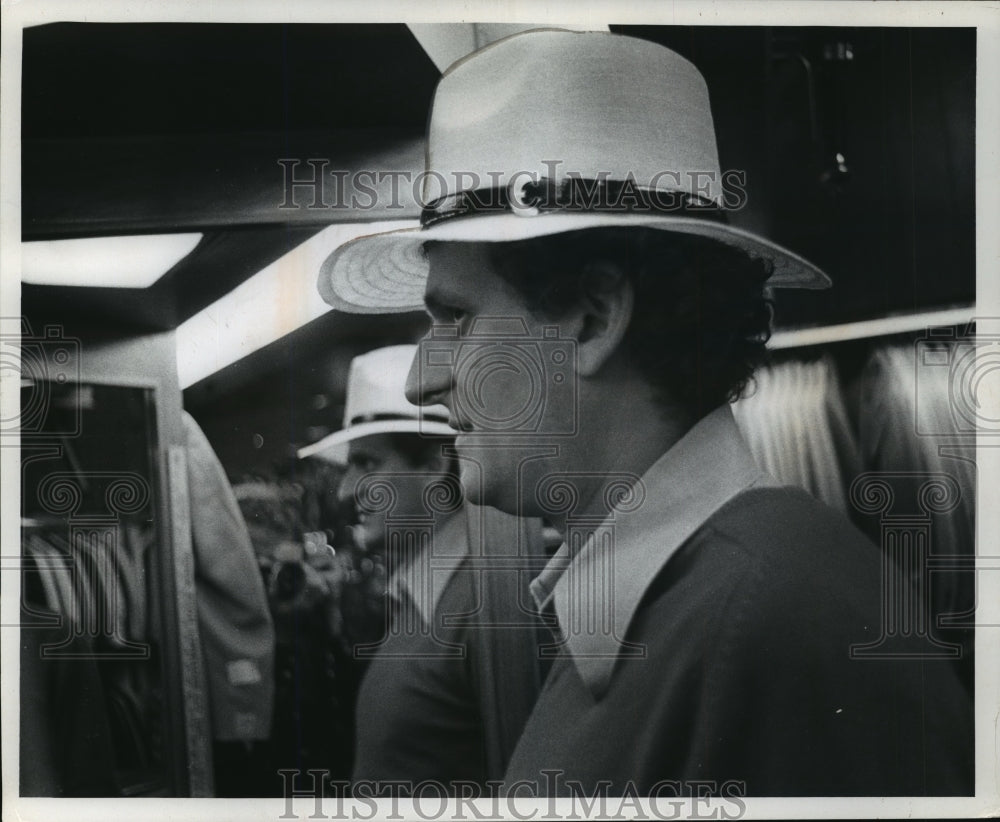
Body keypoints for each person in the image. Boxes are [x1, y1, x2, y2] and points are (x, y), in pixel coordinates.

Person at [315, 31, 974, 796]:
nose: (421, 382)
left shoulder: (773, 620)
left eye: (456, 318)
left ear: (592, 318)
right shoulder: (673, 603)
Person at [298, 345, 544, 789]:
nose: (346, 492)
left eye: (367, 464)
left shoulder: (485, 603)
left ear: (434, 463)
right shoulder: (426, 598)